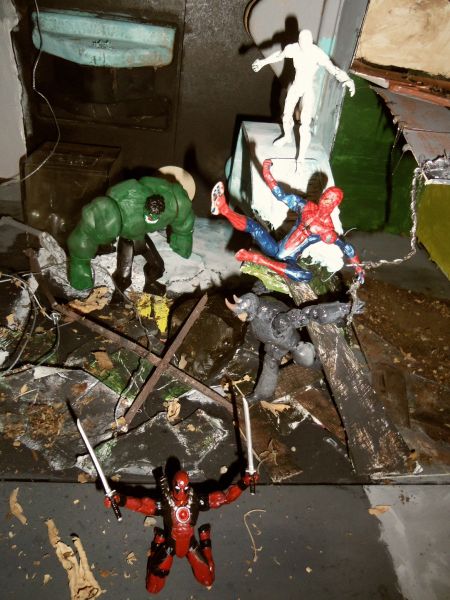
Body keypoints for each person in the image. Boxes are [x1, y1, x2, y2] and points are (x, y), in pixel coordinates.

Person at [104, 469, 258, 594]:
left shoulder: (196, 500)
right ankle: (157, 545)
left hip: (190, 544)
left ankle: (205, 542)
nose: (181, 492)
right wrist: (119, 500)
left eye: (184, 488)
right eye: (178, 488)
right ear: (173, 486)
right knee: (153, 588)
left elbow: (225, 498)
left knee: (207, 579)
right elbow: (141, 505)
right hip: (170, 546)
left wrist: (244, 482)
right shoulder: (165, 503)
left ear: (188, 486)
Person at [211, 159, 364, 283]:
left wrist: (358, 268)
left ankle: (258, 259)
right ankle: (223, 209)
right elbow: (281, 196)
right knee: (254, 226)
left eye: (331, 199)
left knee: (306, 277)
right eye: (326, 195)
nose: (326, 199)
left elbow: (347, 248)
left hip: (289, 259)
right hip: (275, 248)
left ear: (335, 204)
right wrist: (267, 174)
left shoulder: (328, 230)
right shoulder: (305, 207)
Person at [67, 176, 195, 295]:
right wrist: (79, 264)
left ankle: (150, 283)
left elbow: (182, 205)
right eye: (150, 215)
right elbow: (84, 234)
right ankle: (118, 295)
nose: (152, 218)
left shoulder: (170, 203)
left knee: (157, 265)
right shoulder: (114, 212)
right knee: (123, 275)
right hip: (127, 240)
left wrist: (183, 235)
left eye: (156, 216)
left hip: (141, 237)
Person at [252, 29, 355, 161]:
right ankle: (287, 137)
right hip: (296, 86)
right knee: (286, 114)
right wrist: (263, 62)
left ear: (311, 42)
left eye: (307, 43)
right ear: (299, 42)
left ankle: (300, 158)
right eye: (302, 43)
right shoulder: (293, 49)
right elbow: (279, 55)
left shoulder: (317, 53)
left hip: (307, 88)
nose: (305, 46)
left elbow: (332, 68)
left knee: (305, 124)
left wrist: (347, 79)